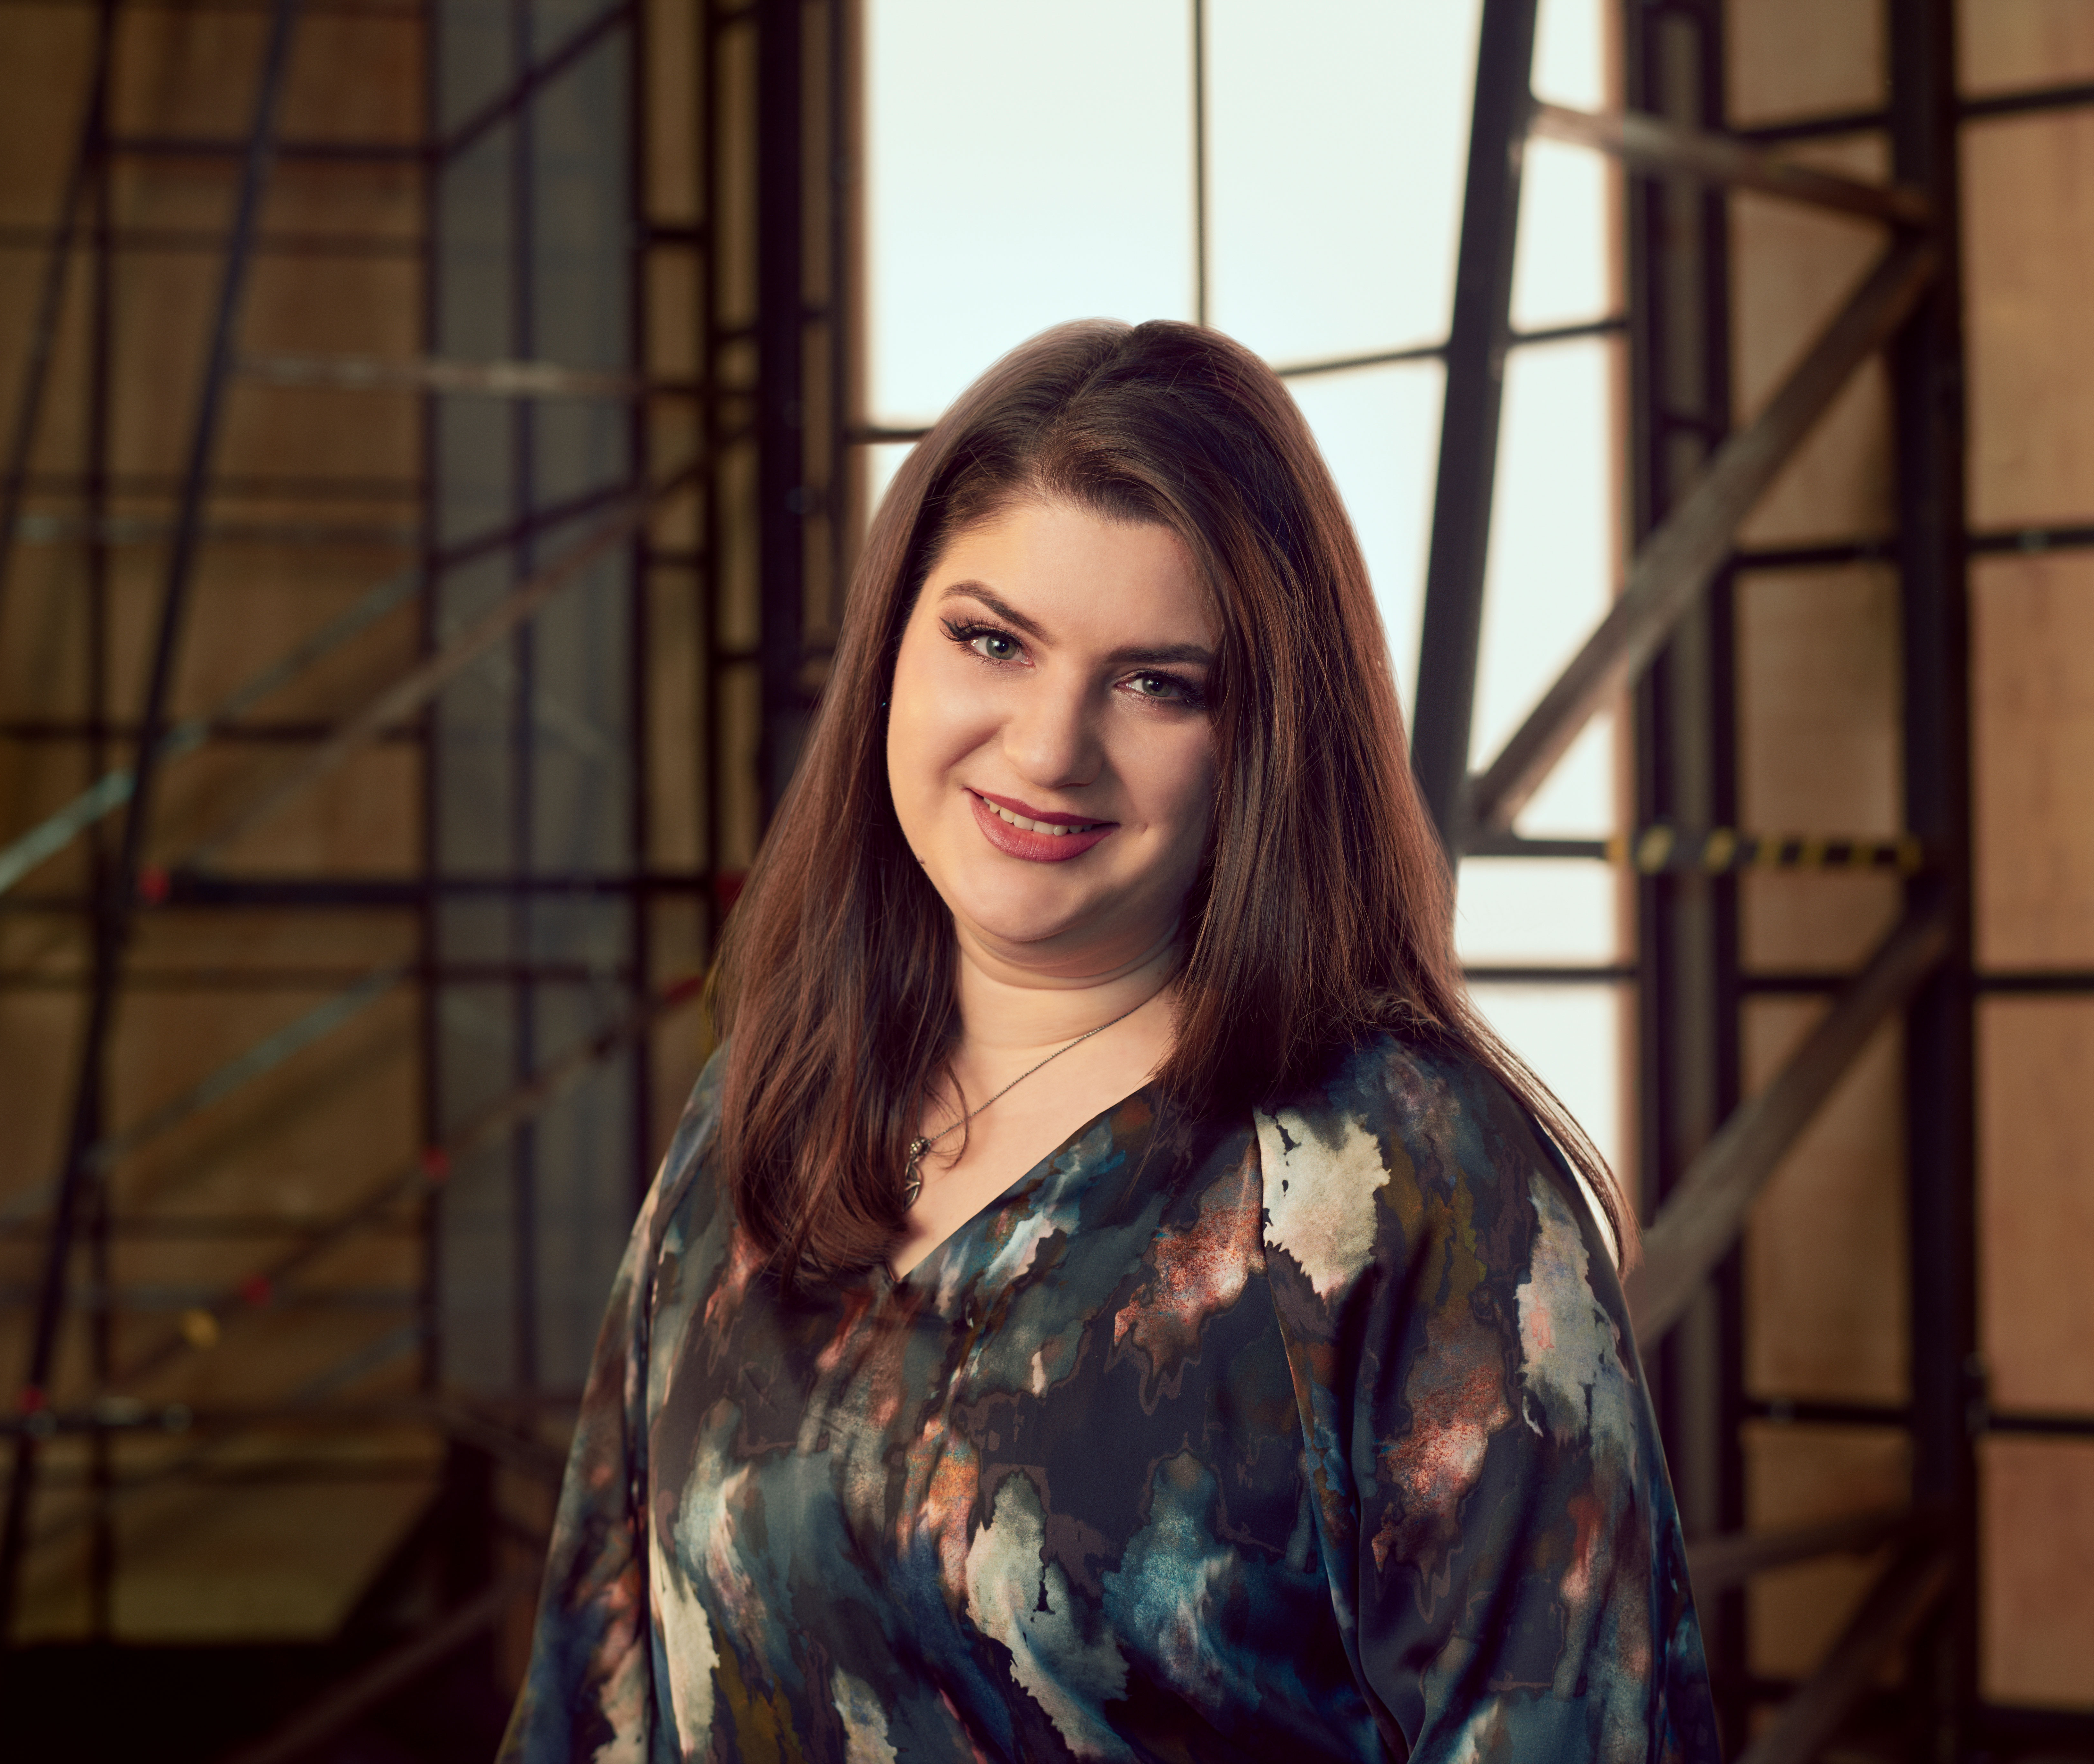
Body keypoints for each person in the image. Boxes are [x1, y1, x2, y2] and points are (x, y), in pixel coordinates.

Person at [500, 319, 1721, 1762]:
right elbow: (598, 1695)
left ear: (1262, 733)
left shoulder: (1401, 1180)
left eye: (1158, 682)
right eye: (992, 639)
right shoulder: (767, 1102)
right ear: (893, 640)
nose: (1047, 746)